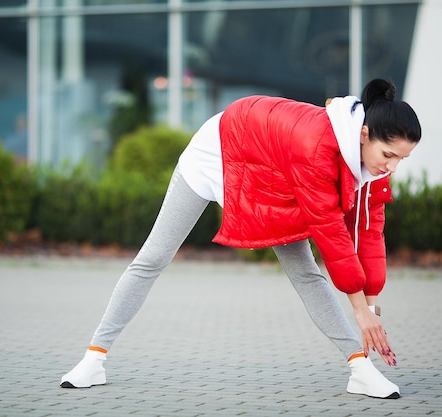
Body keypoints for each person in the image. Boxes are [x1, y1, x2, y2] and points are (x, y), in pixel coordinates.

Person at [60, 79, 422, 399]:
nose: (391, 166)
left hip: (273, 173)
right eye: (388, 155)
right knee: (153, 257)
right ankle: (94, 359)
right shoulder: (317, 150)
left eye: (401, 159)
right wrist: (359, 312)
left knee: (306, 273)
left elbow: (368, 231)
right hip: (220, 148)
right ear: (364, 134)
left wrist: (371, 310)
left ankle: (360, 370)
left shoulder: (375, 166)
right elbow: (332, 235)